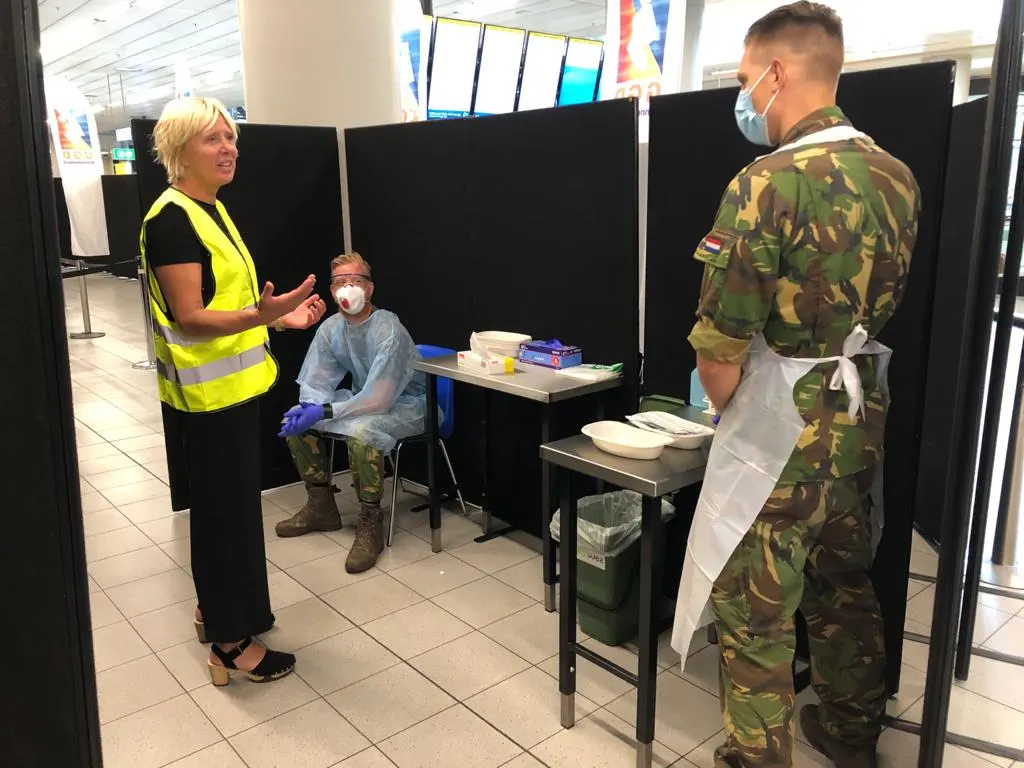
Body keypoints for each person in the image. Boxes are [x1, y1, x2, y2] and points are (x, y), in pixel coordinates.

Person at [668, 4, 921, 768]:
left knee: (756, 609)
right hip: (857, 418)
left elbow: (719, 347)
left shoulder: (765, 182)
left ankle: (756, 758)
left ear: (777, 73)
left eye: (747, 80)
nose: (745, 98)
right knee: (844, 583)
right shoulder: (896, 176)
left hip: (780, 431)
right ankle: (852, 734)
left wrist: (734, 416)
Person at [141, 96, 327, 686]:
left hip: (237, 393)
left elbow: (232, 308)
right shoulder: (172, 219)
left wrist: (281, 320)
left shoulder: (211, 209)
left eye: (231, 139)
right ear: (178, 149)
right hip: (209, 403)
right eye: (213, 139)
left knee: (233, 516)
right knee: (225, 521)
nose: (229, 150)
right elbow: (193, 316)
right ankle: (228, 643)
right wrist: (260, 314)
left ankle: (221, 613)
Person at [276, 252, 426, 574]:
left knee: (362, 433)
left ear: (369, 289)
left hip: (409, 405)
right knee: (296, 418)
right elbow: (317, 380)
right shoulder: (331, 329)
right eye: (340, 283)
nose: (348, 289)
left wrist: (326, 410)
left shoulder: (388, 328)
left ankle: (370, 519)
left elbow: (381, 398)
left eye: (355, 281)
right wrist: (309, 407)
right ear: (331, 292)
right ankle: (320, 507)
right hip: (365, 401)